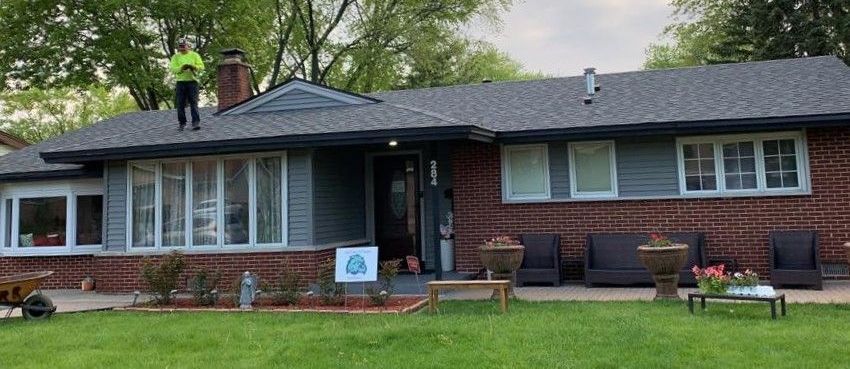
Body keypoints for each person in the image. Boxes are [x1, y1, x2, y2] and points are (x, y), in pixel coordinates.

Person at [170, 39, 205, 130]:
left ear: (188, 46)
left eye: (183, 46)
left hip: (192, 82)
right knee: (180, 103)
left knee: (193, 102)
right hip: (180, 82)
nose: (182, 48)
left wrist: (193, 67)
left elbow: (201, 67)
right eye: (180, 46)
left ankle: (195, 122)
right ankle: (182, 123)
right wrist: (182, 68)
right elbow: (173, 69)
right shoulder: (175, 57)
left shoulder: (194, 55)